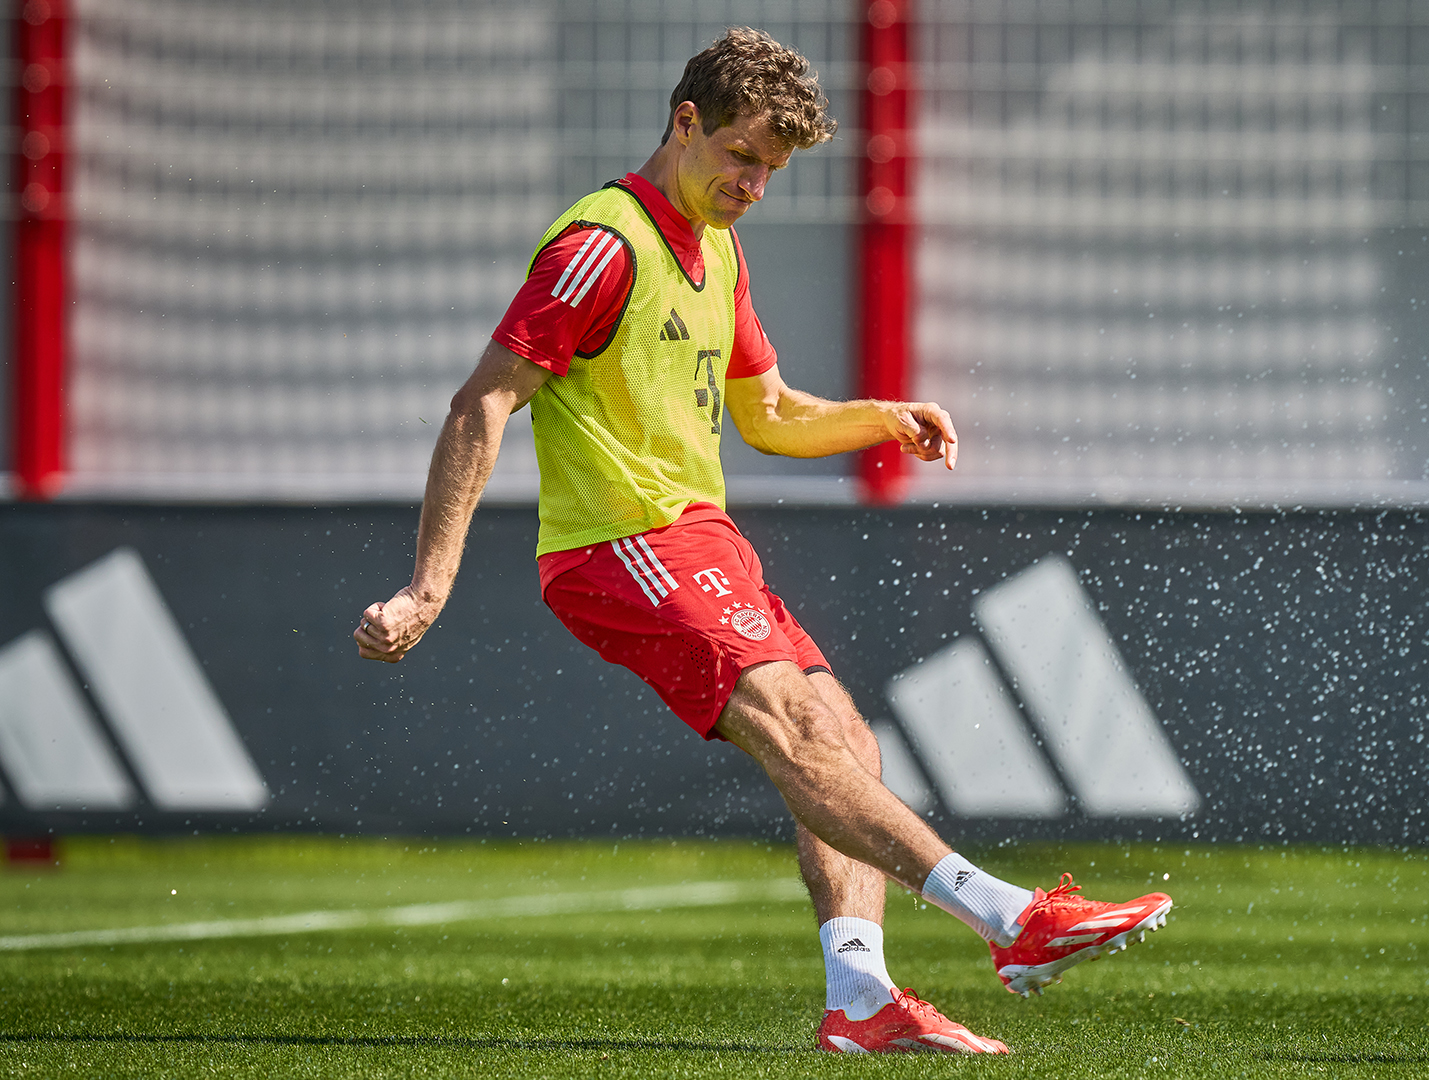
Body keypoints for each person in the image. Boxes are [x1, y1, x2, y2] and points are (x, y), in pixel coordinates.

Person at [354, 27, 1173, 1055]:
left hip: (701, 536)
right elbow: (482, 405)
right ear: (685, 122)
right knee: (794, 721)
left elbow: (769, 412)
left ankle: (862, 997)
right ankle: (1011, 920)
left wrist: (882, 415)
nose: (755, 185)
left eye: (773, 172)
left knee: (844, 736)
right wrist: (429, 588)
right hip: (622, 541)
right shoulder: (602, 247)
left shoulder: (718, 251)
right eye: (743, 157)